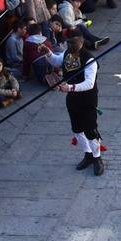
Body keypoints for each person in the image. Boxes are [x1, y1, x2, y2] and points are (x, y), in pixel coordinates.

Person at [44, 30, 107, 176]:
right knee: (77, 129)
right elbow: (56, 60)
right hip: (72, 98)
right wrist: (48, 53)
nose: (70, 45)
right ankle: (88, 155)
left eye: (74, 42)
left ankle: (97, 158)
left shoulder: (89, 60)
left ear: (82, 42)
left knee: (90, 129)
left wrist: (70, 87)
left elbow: (89, 83)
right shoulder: (67, 54)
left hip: (87, 99)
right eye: (69, 42)